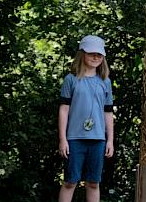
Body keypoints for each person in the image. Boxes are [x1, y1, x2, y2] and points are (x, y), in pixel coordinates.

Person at [58, 35, 114, 202]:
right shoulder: (71, 79)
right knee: (69, 182)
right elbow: (64, 109)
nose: (96, 57)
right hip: (74, 139)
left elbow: (108, 112)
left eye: (99, 54)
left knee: (93, 183)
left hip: (98, 139)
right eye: (91, 53)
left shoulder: (105, 81)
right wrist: (63, 139)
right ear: (82, 54)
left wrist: (110, 140)